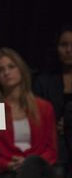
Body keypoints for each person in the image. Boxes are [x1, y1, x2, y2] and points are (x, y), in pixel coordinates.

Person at [0, 47, 57, 178]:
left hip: (39, 170)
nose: (6, 72)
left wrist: (29, 163)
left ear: (21, 69)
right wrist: (8, 164)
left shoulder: (44, 107)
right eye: (0, 70)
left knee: (33, 164)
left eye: (11, 67)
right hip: (6, 172)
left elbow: (51, 151)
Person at [34, 25, 72, 177]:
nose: (69, 50)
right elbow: (36, 115)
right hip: (55, 140)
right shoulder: (43, 80)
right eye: (64, 45)